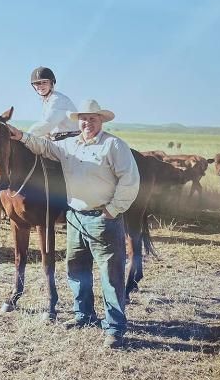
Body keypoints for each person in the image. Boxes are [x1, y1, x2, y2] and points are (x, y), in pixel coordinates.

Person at [8, 99, 140, 349]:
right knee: (77, 270)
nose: (87, 123)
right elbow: (43, 146)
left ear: (101, 121)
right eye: (83, 119)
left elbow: (130, 180)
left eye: (93, 118)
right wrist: (21, 135)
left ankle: (114, 327)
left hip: (103, 218)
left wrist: (113, 210)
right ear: (78, 121)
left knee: (110, 274)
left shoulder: (113, 145)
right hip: (75, 216)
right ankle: (84, 315)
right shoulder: (69, 145)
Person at [27, 66, 77, 137]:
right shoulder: (47, 100)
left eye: (44, 82)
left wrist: (25, 135)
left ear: (51, 84)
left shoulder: (58, 99)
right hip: (58, 138)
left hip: (69, 138)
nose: (41, 86)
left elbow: (47, 124)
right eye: (37, 83)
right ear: (33, 86)